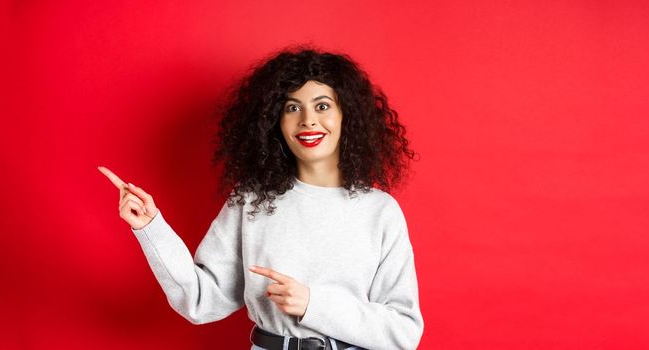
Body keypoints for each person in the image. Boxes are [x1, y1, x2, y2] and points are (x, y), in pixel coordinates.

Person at [98, 46, 423, 350]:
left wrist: (313, 304)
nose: (308, 120)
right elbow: (199, 301)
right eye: (292, 108)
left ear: (346, 117)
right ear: (275, 123)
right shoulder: (251, 201)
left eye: (322, 106)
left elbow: (403, 332)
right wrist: (152, 228)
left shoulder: (380, 212)